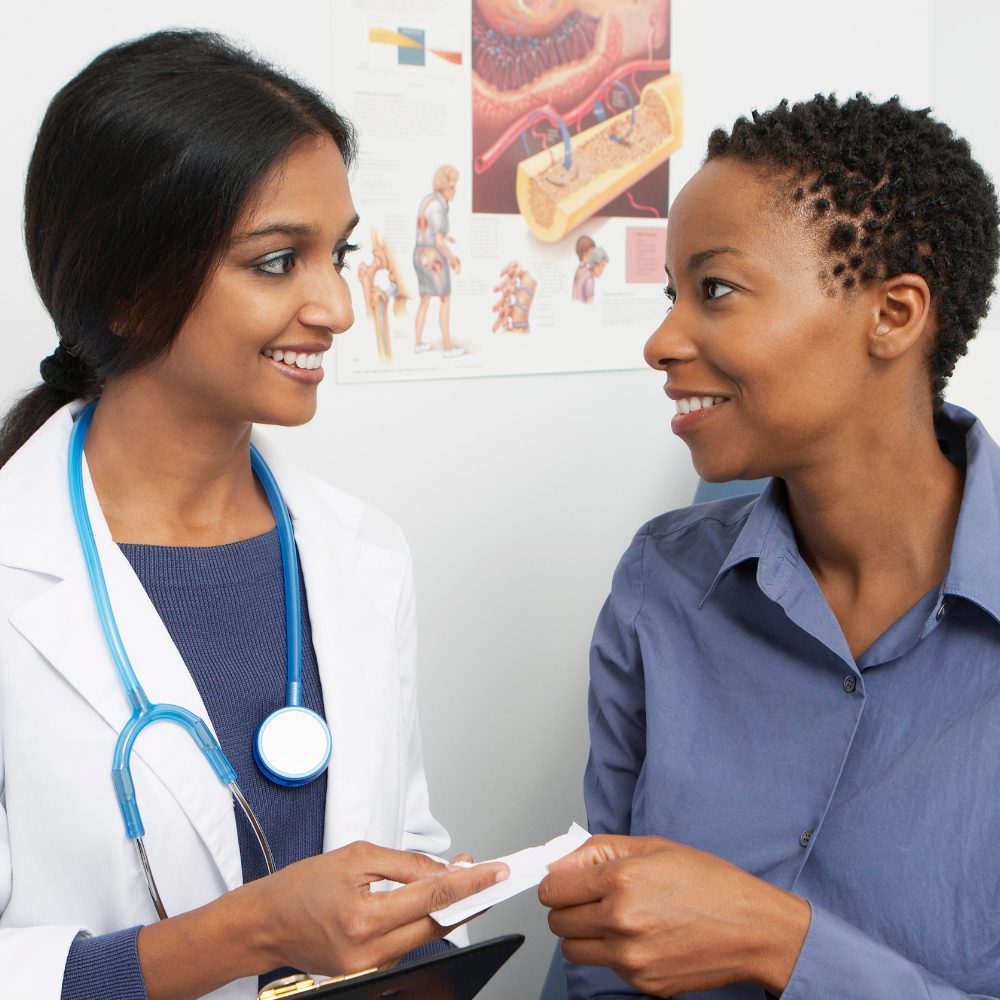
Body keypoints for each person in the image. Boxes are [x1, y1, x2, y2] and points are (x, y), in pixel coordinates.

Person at [0, 31, 508, 1000]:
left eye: (339, 254)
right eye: (278, 261)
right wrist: (253, 930)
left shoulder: (361, 551)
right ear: (130, 285)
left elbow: (399, 856)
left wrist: (435, 929)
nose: (337, 306)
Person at [538, 94, 1000, 999]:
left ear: (894, 315)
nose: (662, 341)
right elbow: (600, 947)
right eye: (672, 294)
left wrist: (782, 944)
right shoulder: (661, 584)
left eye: (715, 290)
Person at [414, 166, 464, 358]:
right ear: (443, 188)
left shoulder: (429, 200)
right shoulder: (438, 207)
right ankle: (448, 347)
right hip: (433, 257)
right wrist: (453, 260)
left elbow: (431, 232)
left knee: (425, 299)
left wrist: (443, 237)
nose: (455, 190)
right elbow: (438, 242)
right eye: (452, 187)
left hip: (419, 254)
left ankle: (418, 343)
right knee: (445, 299)